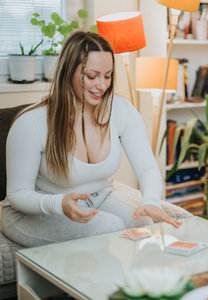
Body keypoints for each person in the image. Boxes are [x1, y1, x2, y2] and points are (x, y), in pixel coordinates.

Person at [2, 31, 182, 247]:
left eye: (108, 76)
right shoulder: (32, 122)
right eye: (91, 76)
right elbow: (17, 194)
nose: (102, 86)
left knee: (144, 223)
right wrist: (59, 203)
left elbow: (147, 169)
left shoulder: (121, 110)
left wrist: (151, 201)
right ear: (68, 72)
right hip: (32, 210)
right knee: (109, 229)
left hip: (98, 197)